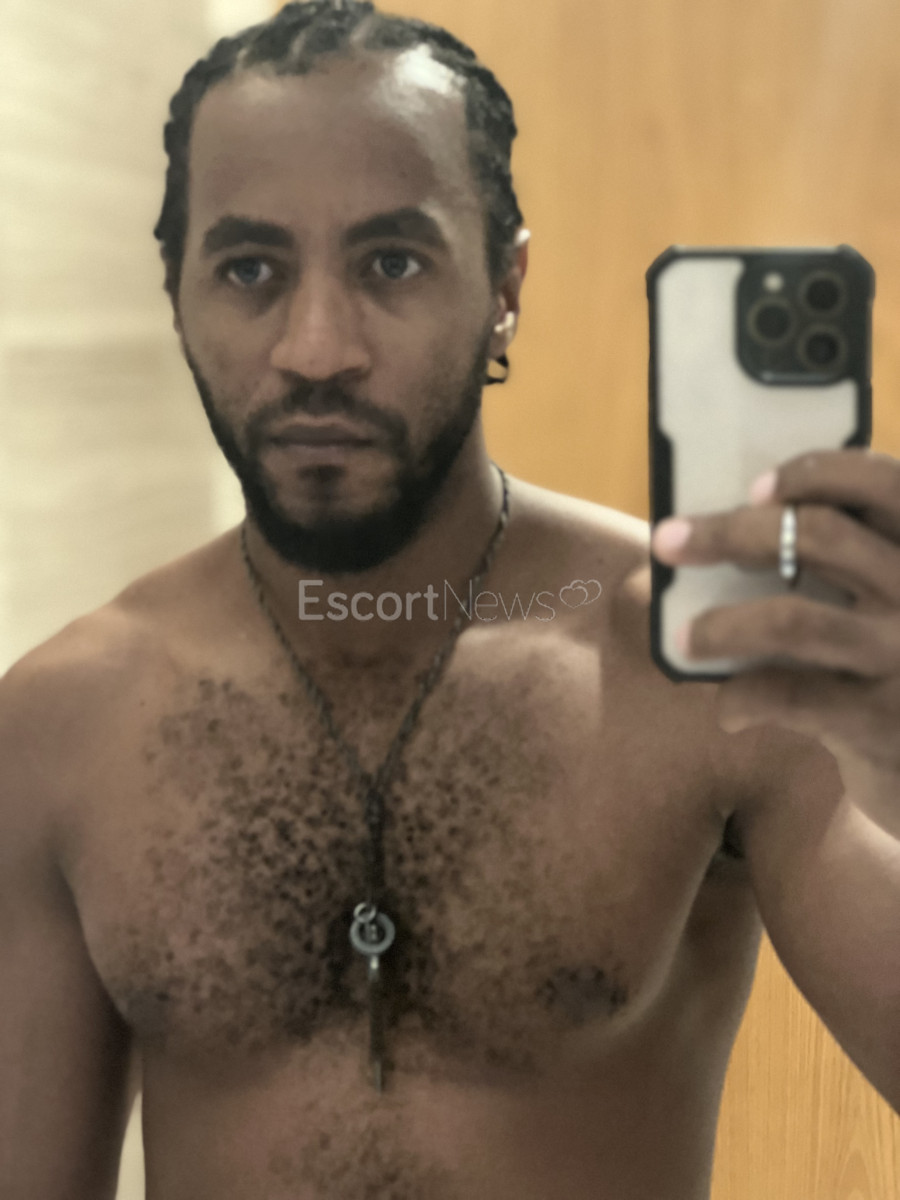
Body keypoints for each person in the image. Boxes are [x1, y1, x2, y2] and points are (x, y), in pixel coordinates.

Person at [2, 2, 898, 1197]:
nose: (317, 348)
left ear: (505, 284)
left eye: (392, 263)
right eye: (251, 269)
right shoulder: (61, 727)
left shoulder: (714, 662)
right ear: (178, 293)